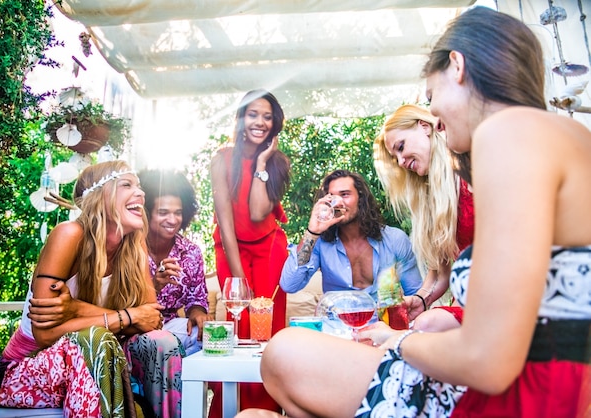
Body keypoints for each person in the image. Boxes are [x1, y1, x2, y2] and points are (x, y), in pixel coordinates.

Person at [236, 6, 591, 418]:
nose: (435, 115)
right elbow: (545, 302)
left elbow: (488, 360)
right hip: (558, 388)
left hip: (516, 396)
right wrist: (450, 317)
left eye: (430, 96)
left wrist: (396, 340)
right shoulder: (569, 137)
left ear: (456, 65)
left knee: (282, 354)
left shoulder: (506, 132)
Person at [0, 160, 186, 418]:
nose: (141, 193)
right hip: (24, 371)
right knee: (96, 339)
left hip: (99, 368)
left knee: (160, 342)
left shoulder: (134, 250)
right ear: (99, 195)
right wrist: (127, 316)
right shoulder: (69, 234)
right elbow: (46, 335)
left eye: (139, 187)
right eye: (127, 185)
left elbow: (150, 320)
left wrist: (76, 309)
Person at [210, 89, 291, 414]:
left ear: (275, 124)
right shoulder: (222, 158)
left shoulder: (277, 162)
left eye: (267, 116)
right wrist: (239, 278)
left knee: (267, 329)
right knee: (238, 320)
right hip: (231, 248)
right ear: (241, 119)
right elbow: (226, 223)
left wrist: (261, 163)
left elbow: (259, 212)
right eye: (253, 114)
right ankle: (230, 410)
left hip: (270, 249)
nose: (259, 122)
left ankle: (267, 411)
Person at [374, 104, 474, 331]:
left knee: (427, 324)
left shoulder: (472, 173)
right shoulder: (433, 201)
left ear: (424, 127)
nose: (400, 161)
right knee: (421, 324)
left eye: (401, 147)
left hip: (501, 301)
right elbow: (441, 273)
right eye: (395, 157)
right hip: (468, 307)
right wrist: (420, 300)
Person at [280, 169, 422, 303]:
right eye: (331, 197)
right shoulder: (320, 243)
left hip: (383, 324)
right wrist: (312, 231)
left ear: (361, 199)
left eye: (345, 194)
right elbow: (289, 285)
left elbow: (415, 292)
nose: (338, 203)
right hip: (335, 325)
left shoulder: (394, 239)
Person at [139, 168, 212, 356]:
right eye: (163, 212)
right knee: (162, 344)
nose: (172, 220)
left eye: (178, 213)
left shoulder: (191, 252)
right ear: (146, 213)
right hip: (133, 327)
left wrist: (197, 314)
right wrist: (154, 285)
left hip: (170, 327)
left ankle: (184, 385)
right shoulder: (129, 248)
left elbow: (197, 299)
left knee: (209, 336)